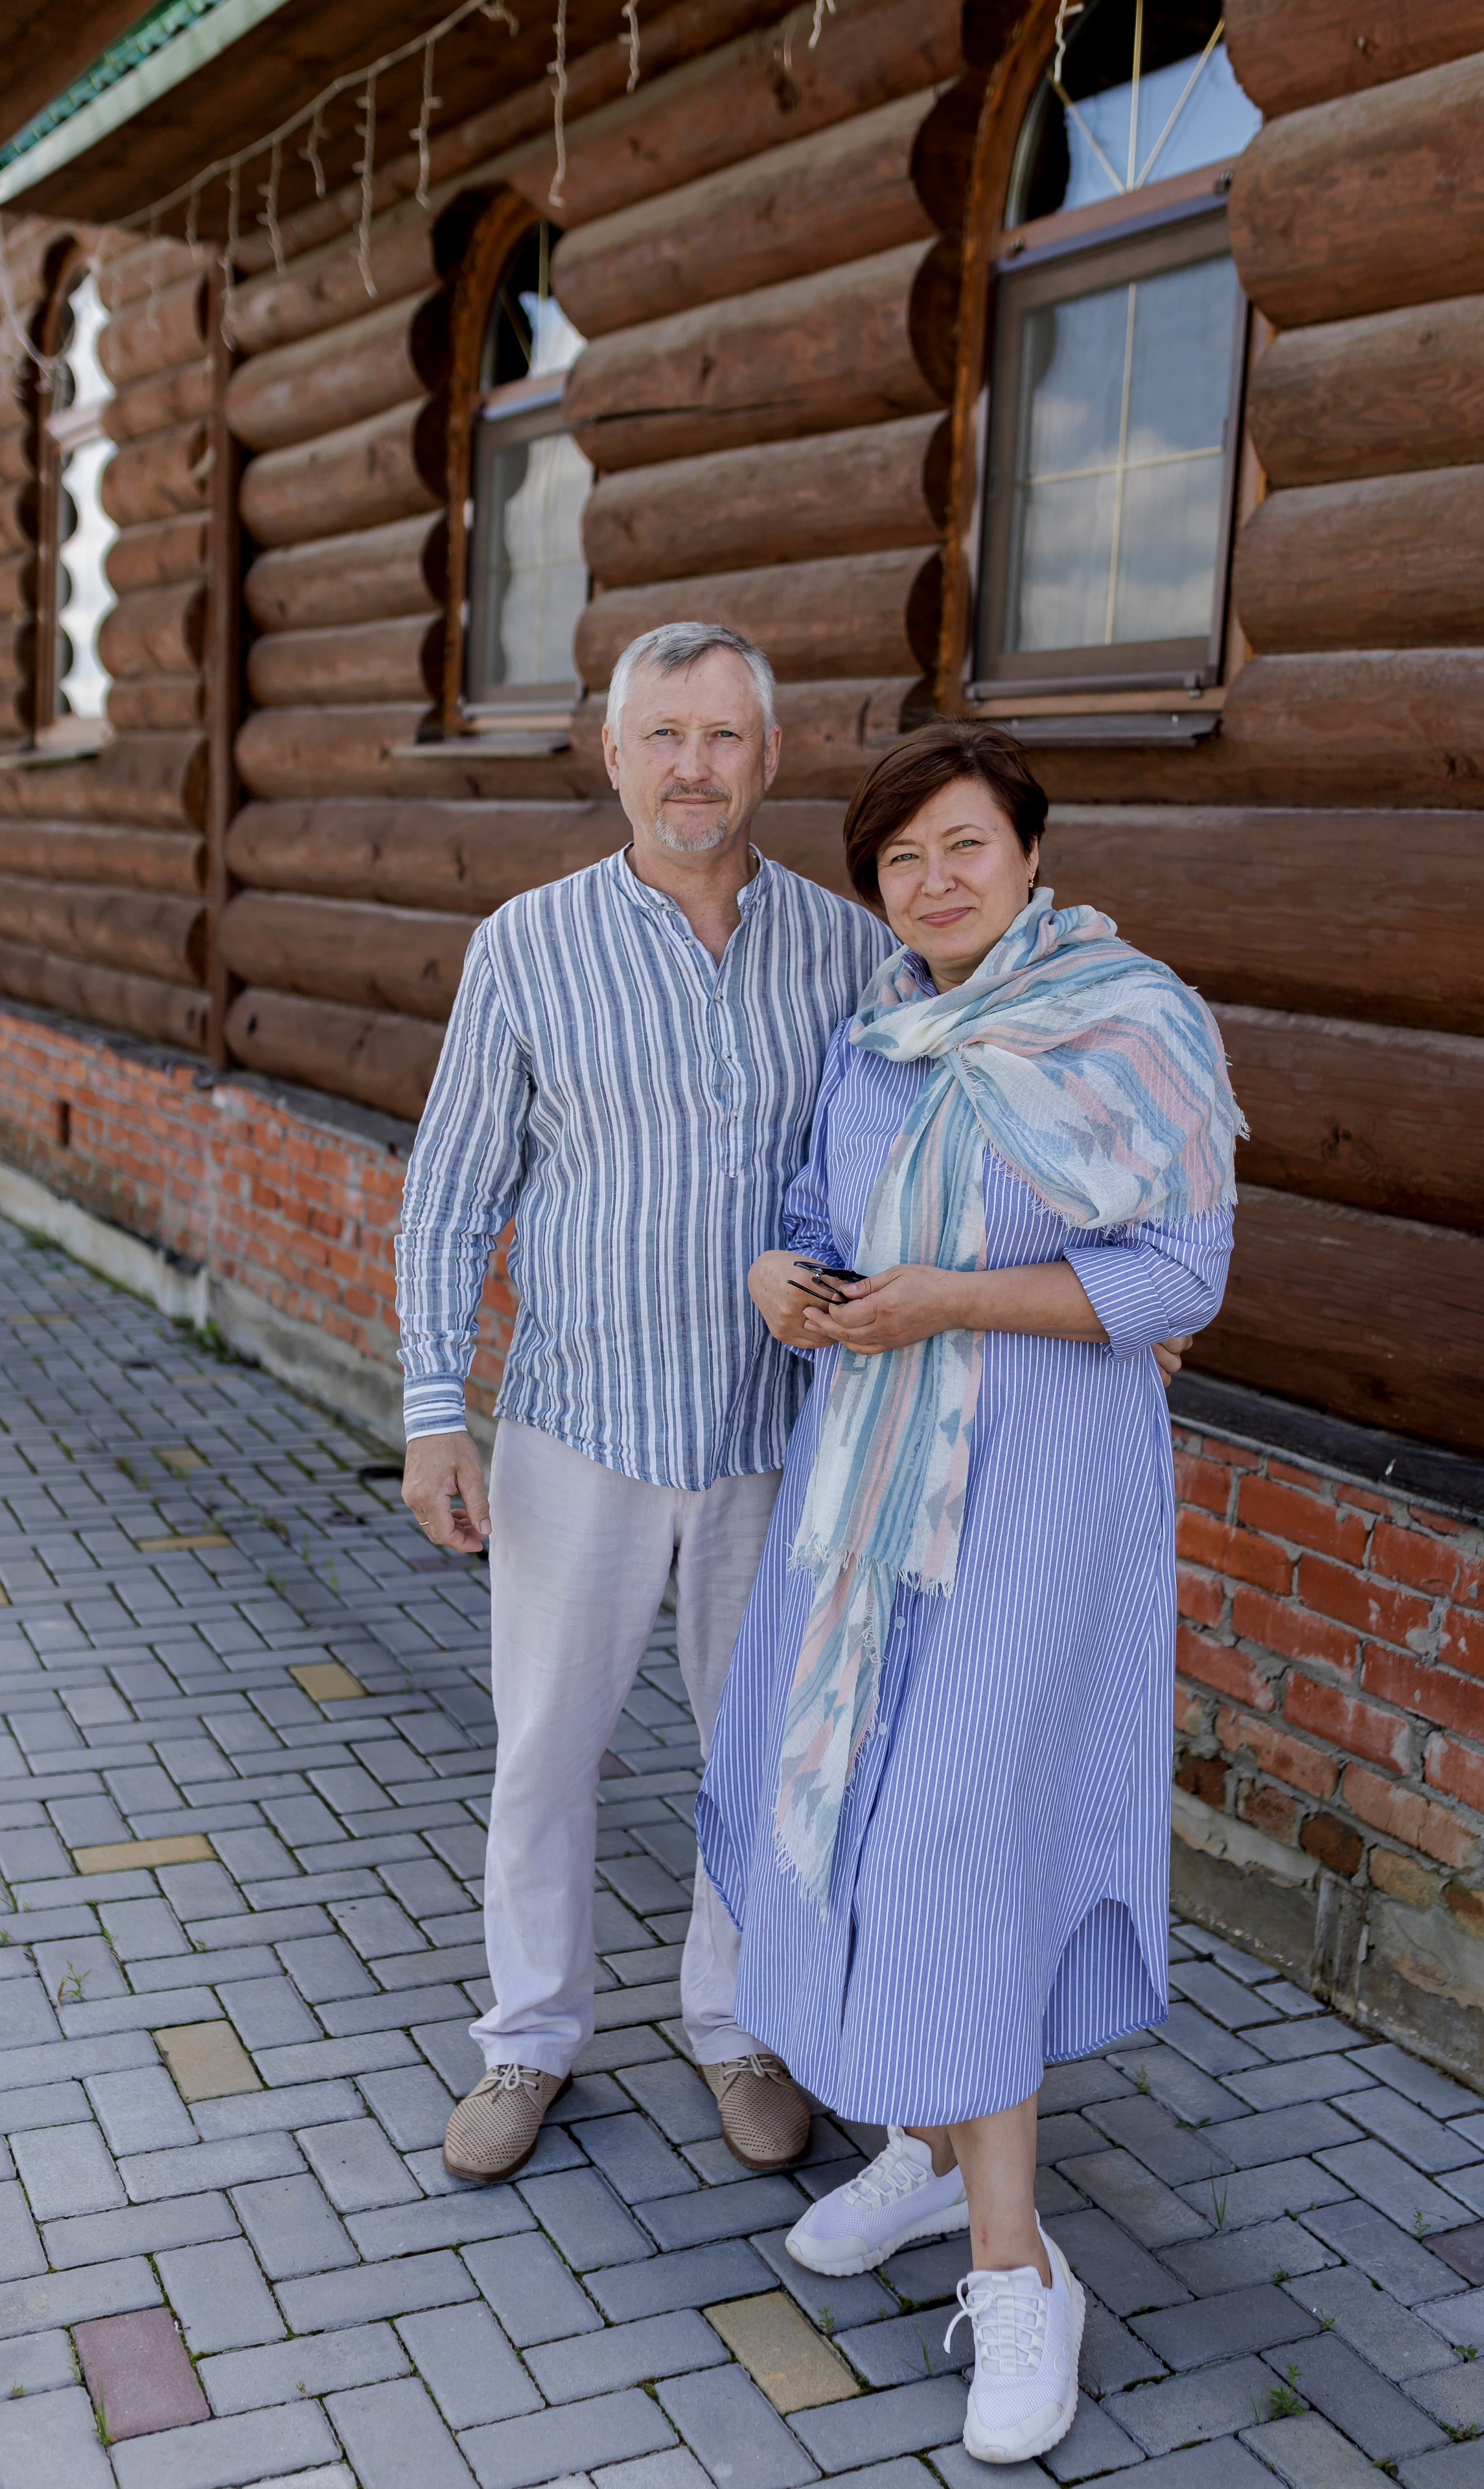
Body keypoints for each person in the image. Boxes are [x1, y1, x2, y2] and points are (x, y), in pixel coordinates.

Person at [697, 720, 1242, 2466]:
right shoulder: (877, 1036)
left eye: (964, 847)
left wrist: (951, 1298)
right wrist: (783, 1272)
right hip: (869, 1491)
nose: (933, 883)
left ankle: (1020, 2271)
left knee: (954, 1844)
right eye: (900, 860)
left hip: (1036, 1498)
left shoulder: (1128, 1022)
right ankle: (929, 2156)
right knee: (852, 1818)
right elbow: (816, 1209)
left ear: (1029, 852)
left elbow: (1178, 1275)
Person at [395, 621, 894, 2181]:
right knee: (545, 1751)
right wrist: (431, 1409)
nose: (693, 767)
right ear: (612, 755)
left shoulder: (848, 949)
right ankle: (528, 2037)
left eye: (723, 736)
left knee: (756, 1756)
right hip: (578, 1428)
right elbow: (451, 1194)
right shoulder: (526, 945)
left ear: (768, 757)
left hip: (775, 1433)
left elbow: (924, 1150)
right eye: (663, 736)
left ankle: (738, 2027)